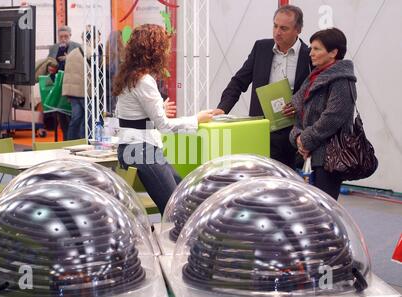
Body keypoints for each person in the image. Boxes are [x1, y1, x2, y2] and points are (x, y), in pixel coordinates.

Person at [113, 24, 214, 214]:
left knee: (182, 196)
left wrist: (159, 109)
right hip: (142, 151)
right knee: (175, 208)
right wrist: (197, 119)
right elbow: (164, 126)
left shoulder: (130, 77)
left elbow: (131, 116)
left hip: (135, 149)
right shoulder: (144, 80)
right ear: (155, 50)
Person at [213, 5, 312, 169]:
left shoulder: (309, 57)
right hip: (261, 130)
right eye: (275, 26)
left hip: (292, 134)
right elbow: (238, 82)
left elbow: (316, 96)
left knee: (285, 184)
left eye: (284, 28)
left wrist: (299, 106)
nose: (277, 32)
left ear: (298, 30)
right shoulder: (261, 49)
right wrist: (222, 109)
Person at [289, 28, 356, 200]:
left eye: (317, 49)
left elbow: (333, 117)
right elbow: (300, 111)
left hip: (328, 159)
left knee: (323, 212)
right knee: (309, 210)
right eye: (311, 48)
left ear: (333, 52)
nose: (311, 53)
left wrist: (305, 140)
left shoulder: (341, 80)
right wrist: (298, 137)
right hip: (309, 155)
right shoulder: (314, 77)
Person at [62, 26, 103, 140]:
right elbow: (97, 72)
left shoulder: (72, 52)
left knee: (76, 119)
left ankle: (70, 142)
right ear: (93, 38)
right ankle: (85, 142)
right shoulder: (91, 53)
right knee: (88, 120)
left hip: (72, 92)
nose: (98, 42)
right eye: (98, 39)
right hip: (86, 92)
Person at [48, 26, 81, 140]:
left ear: (70, 36)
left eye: (66, 36)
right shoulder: (53, 48)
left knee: (73, 116)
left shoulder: (77, 47)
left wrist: (69, 59)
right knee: (61, 116)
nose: (63, 39)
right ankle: (65, 139)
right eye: (61, 37)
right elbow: (49, 63)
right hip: (57, 86)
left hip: (72, 87)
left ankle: (73, 139)